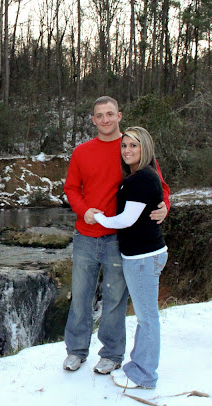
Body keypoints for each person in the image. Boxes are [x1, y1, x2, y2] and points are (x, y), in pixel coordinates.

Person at [62, 96, 170, 374]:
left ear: (119, 115)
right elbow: (71, 188)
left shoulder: (133, 146)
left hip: (119, 240)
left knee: (114, 300)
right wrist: (84, 210)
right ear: (93, 120)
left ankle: (111, 354)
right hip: (86, 236)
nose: (105, 119)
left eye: (110, 113)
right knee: (80, 297)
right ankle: (76, 350)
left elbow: (158, 185)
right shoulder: (82, 152)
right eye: (99, 115)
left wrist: (164, 207)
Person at [93, 127, 168, 389]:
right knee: (145, 317)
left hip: (143, 257)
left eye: (133, 145)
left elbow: (127, 219)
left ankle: (145, 375)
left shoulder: (142, 178)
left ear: (145, 148)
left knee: (147, 318)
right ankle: (138, 367)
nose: (127, 150)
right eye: (124, 146)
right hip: (141, 255)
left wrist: (97, 217)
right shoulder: (139, 176)